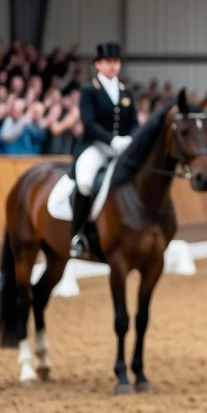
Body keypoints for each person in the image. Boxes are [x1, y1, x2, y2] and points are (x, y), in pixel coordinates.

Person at [71, 42, 136, 261]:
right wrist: (112, 140)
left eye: (116, 62)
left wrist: (131, 140)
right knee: (86, 182)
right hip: (95, 147)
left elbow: (134, 122)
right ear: (98, 64)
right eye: (108, 62)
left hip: (121, 148)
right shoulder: (89, 89)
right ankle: (77, 234)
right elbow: (88, 122)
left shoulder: (125, 91)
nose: (113, 66)